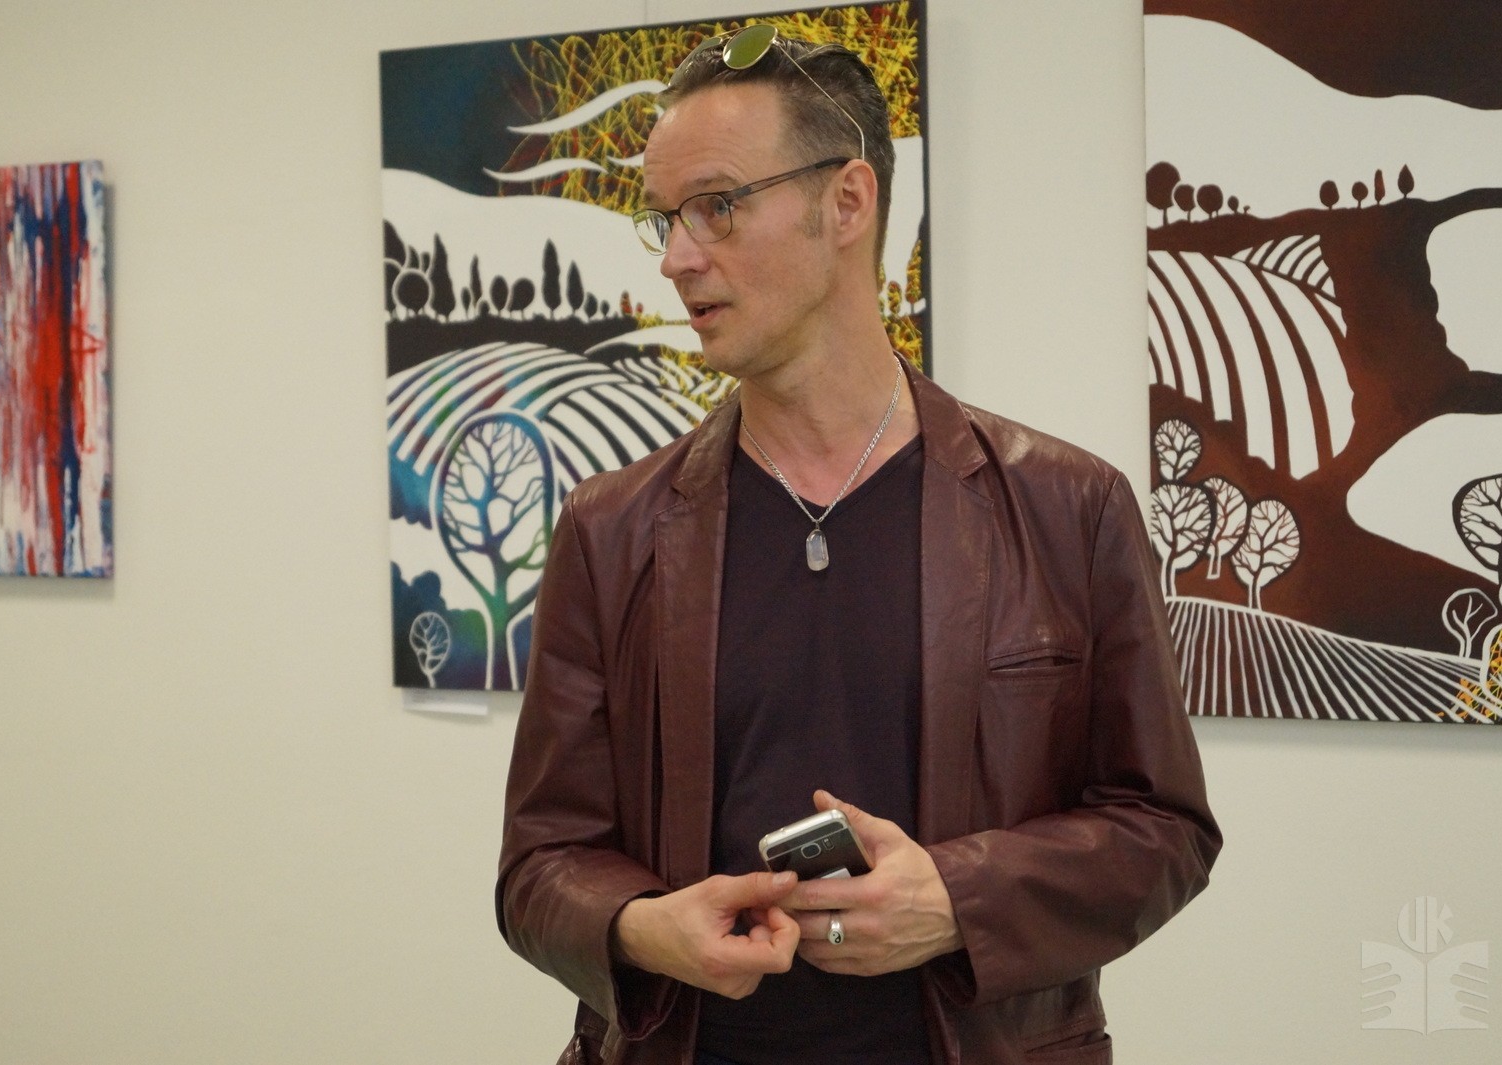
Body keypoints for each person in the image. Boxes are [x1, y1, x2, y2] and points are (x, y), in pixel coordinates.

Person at [497, 25, 1220, 1065]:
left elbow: (1165, 830)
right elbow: (540, 864)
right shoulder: (610, 531)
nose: (677, 257)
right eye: (665, 218)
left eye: (717, 206)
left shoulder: (1070, 508)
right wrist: (642, 928)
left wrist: (959, 899)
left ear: (848, 202)